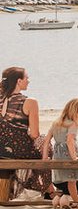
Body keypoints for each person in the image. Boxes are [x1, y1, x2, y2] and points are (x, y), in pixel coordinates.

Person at [0, 66, 54, 199]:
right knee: (45, 144)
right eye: (27, 78)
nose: (28, 81)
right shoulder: (30, 102)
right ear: (19, 81)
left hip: (1, 150)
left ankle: (48, 188)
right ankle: (46, 186)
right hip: (20, 151)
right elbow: (35, 134)